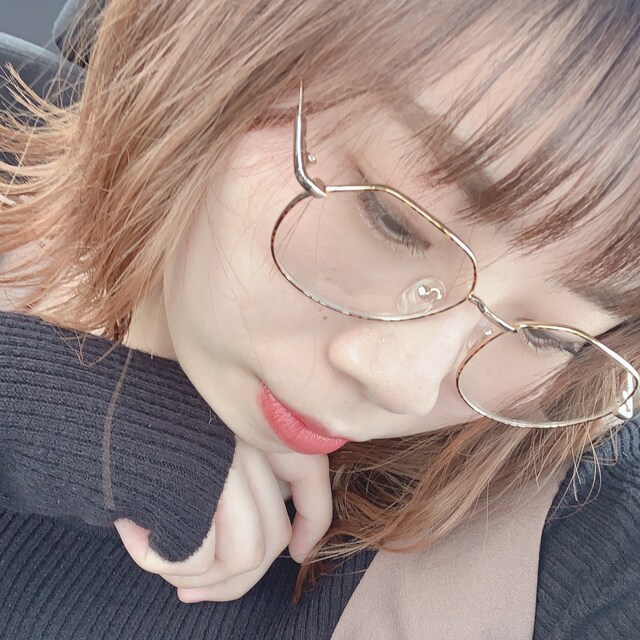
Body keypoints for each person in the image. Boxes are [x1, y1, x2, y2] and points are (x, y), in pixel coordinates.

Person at [0, 0, 639, 638]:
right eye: (393, 221)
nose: (403, 384)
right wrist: (42, 400)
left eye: (548, 337)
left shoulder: (582, 546)